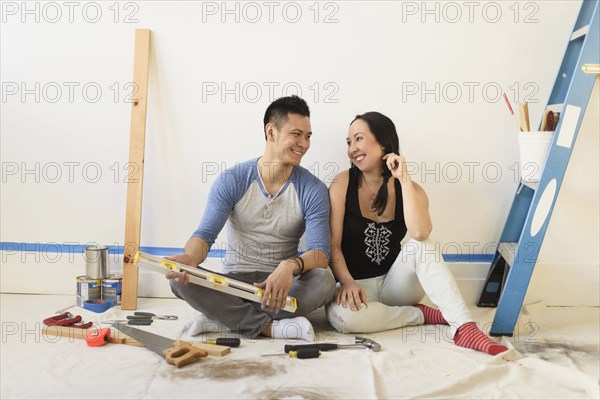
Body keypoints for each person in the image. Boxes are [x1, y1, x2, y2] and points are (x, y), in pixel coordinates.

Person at [325, 111, 508, 356]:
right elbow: (333, 245)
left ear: (382, 142)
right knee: (345, 320)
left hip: (396, 287)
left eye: (358, 139)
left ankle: (464, 327)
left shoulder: (410, 188)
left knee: (420, 247)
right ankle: (421, 314)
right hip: (356, 287)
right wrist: (346, 281)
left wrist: (404, 179)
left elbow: (420, 233)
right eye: (349, 142)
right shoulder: (341, 184)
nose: (352, 148)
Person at [167, 95, 336, 341]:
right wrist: (190, 258)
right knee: (180, 281)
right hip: (234, 281)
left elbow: (320, 254)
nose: (304, 143)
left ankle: (222, 317)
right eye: (296, 134)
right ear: (271, 131)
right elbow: (204, 236)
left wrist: (289, 266)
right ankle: (270, 327)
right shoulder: (232, 180)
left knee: (325, 281)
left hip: (279, 286)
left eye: (308, 136)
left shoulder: (312, 188)